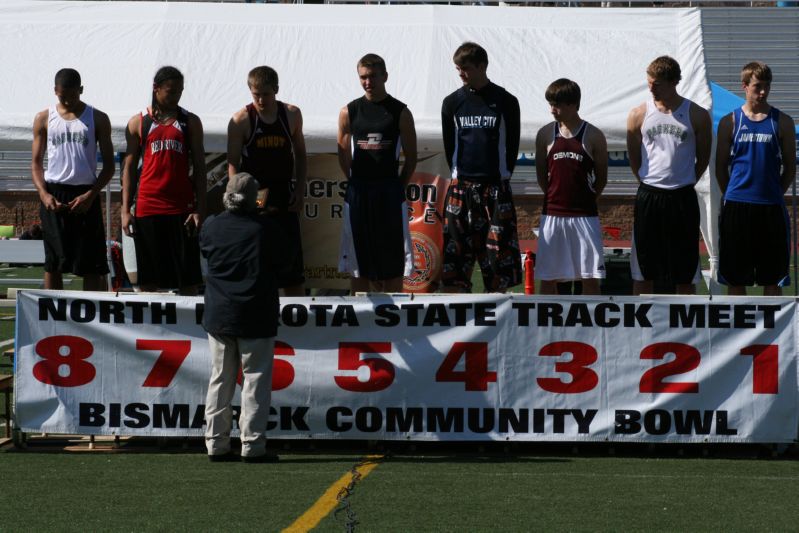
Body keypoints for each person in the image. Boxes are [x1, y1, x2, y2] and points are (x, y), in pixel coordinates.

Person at [201, 172, 280, 463]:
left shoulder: (211, 226)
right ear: (254, 200)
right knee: (255, 381)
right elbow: (280, 263)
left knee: (220, 379)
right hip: (257, 313)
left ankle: (216, 444)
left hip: (220, 312)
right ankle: (253, 445)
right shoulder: (265, 228)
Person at [440, 42, 522, 293]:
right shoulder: (452, 102)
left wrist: (499, 180)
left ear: (482, 66)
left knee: (498, 265)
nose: (461, 74)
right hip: (460, 190)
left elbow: (511, 146)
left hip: (495, 190)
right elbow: (449, 146)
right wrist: (459, 180)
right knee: (455, 263)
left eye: (466, 68)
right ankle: (457, 328)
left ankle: (496, 326)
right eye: (458, 69)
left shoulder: (506, 101)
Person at [626, 56, 711, 295]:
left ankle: (685, 330)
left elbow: (703, 157)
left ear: (674, 82)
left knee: (684, 273)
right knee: (644, 271)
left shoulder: (697, 114)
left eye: (658, 84)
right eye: (649, 83)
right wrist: (647, 180)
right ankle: (643, 329)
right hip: (649, 196)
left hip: (682, 197)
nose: (652, 88)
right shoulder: (638, 114)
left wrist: (686, 179)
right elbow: (634, 157)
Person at [121, 66, 206, 295]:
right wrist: (125, 209)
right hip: (148, 208)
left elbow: (200, 167)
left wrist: (200, 208)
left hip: (182, 210)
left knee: (188, 280)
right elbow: (128, 167)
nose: (176, 96)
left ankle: (190, 330)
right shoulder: (139, 122)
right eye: (171, 91)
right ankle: (153, 330)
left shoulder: (190, 122)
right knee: (149, 281)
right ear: (156, 89)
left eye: (180, 91)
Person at [337, 53, 417, 294]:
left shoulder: (400, 112)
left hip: (389, 191)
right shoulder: (348, 111)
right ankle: (362, 324)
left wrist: (397, 185)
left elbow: (411, 158)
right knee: (358, 262)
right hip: (359, 191)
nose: (367, 82)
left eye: (372, 76)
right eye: (363, 77)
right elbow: (343, 154)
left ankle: (394, 325)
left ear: (385, 76)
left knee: (393, 260)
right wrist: (354, 182)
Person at [715, 62, 797, 296]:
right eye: (757, 86)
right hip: (737, 207)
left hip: (770, 207)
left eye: (767, 86)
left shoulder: (782, 122)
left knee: (772, 279)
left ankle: (772, 331)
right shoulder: (730, 122)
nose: (763, 91)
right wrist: (732, 193)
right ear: (745, 86)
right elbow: (720, 167)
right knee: (735, 278)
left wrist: (774, 192)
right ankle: (736, 332)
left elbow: (790, 166)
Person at [227, 66, 308, 297]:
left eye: (266, 94)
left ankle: (297, 318)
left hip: (284, 194)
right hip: (256, 198)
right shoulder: (241, 119)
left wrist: (300, 190)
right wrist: (237, 201)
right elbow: (232, 163)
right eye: (256, 94)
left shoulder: (291, 114)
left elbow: (301, 155)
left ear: (276, 90)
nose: (261, 100)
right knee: (258, 263)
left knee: (292, 266)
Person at [31, 68, 114, 291]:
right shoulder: (43, 118)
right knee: (54, 263)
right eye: (62, 96)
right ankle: (53, 318)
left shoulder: (98, 118)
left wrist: (91, 194)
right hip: (54, 193)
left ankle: (92, 319)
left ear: (81, 90)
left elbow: (109, 166)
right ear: (55, 91)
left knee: (91, 264)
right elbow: (36, 163)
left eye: (72, 95)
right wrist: (43, 193)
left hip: (86, 193)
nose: (67, 100)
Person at [534, 79, 609, 295]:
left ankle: (592, 327)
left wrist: (587, 200)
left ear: (573, 104)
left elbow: (601, 179)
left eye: (556, 105)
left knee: (590, 277)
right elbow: (542, 177)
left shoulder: (594, 135)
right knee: (549, 279)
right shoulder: (545, 134)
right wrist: (555, 197)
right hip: (552, 216)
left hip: (585, 217)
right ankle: (547, 328)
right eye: (550, 104)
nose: (552, 110)